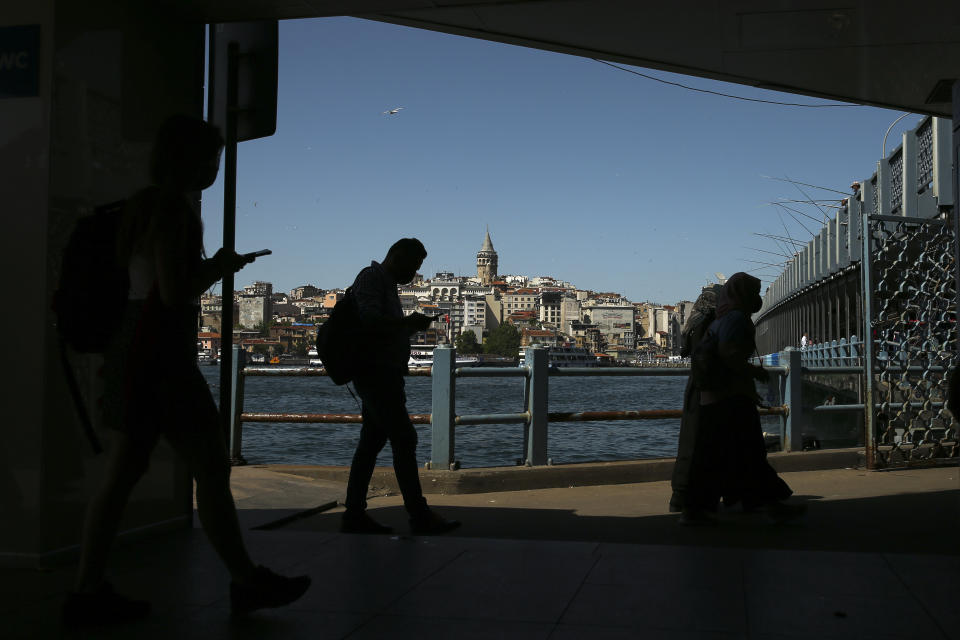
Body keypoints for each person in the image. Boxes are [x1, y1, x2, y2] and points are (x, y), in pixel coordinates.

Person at [63, 115, 310, 627]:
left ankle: (87, 588)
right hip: (161, 354)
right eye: (211, 160)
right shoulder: (174, 211)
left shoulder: (137, 206)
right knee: (210, 468)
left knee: (123, 475)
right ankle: (245, 581)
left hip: (132, 347)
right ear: (190, 161)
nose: (215, 169)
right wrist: (218, 267)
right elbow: (174, 292)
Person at [341, 238, 461, 535]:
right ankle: (418, 514)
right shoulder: (371, 278)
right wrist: (408, 324)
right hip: (375, 374)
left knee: (370, 444)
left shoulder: (384, 282)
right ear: (396, 257)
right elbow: (371, 320)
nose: (415, 273)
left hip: (384, 374)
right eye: (414, 265)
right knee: (404, 439)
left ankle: (354, 514)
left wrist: (407, 325)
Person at [681, 272, 803, 525]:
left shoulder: (723, 318)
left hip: (716, 396)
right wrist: (754, 373)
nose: (757, 299)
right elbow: (730, 355)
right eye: (754, 293)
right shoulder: (736, 319)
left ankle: (735, 504)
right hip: (729, 397)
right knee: (747, 452)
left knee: (727, 454)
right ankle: (761, 503)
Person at [669, 284, 722, 513]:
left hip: (695, 387)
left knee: (690, 440)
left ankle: (681, 496)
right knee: (703, 442)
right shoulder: (710, 324)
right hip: (707, 386)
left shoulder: (692, 324)